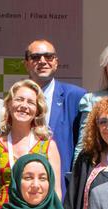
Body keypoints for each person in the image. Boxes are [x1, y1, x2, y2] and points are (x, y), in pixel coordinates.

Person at [0, 79, 61, 209]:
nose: (24, 106)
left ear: (38, 110)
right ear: (9, 104)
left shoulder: (48, 146)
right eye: (19, 99)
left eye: (30, 102)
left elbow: (56, 194)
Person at [24, 39, 86, 194]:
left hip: (63, 187)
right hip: (26, 183)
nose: (43, 61)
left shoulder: (76, 96)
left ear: (56, 62)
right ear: (26, 63)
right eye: (36, 57)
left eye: (48, 57)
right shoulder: (18, 98)